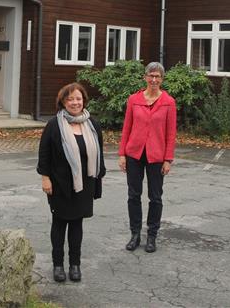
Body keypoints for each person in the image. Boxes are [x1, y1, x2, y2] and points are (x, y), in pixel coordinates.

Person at [37, 82, 106, 283]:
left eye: (78, 98)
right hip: (59, 185)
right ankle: (58, 265)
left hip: (84, 184)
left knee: (77, 224)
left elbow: (99, 153)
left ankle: (75, 265)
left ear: (83, 100)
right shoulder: (54, 125)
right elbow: (44, 154)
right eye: (70, 99)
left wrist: (98, 178)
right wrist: (45, 177)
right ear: (63, 102)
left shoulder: (93, 124)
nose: (75, 102)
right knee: (59, 224)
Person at [118, 62, 177, 254]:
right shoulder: (134, 99)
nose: (154, 80)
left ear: (162, 79)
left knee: (155, 197)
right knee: (133, 195)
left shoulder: (169, 102)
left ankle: (152, 235)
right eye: (151, 76)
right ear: (145, 77)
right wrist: (122, 154)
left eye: (157, 76)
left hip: (157, 155)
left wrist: (168, 159)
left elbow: (170, 133)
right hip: (134, 153)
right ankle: (135, 234)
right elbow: (126, 127)